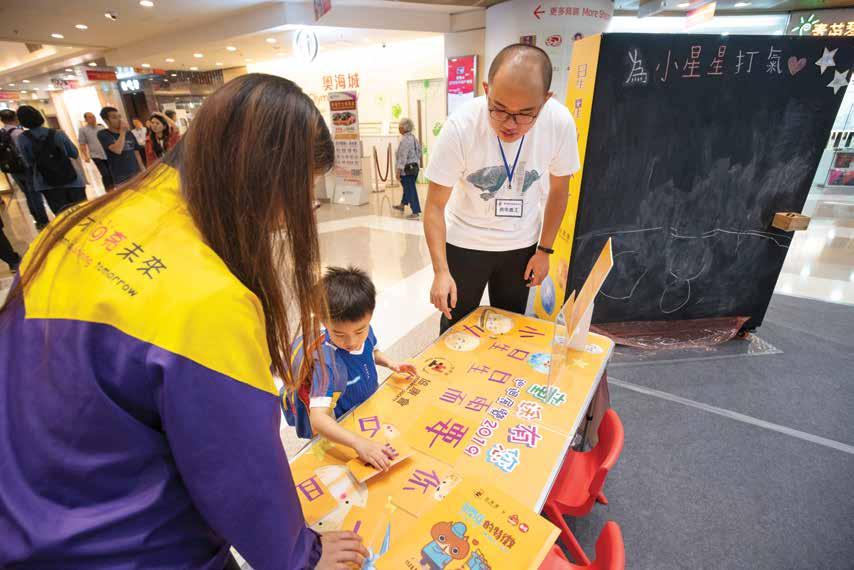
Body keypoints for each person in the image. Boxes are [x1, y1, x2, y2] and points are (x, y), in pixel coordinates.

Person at [0, 74, 367, 569]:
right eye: (301, 189)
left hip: (25, 520)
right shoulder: (208, 298)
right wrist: (300, 555)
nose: (298, 210)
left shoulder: (72, 224)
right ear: (265, 178)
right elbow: (238, 468)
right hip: (134, 547)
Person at [424, 44, 580, 332]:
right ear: (487, 90)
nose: (510, 124)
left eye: (525, 113)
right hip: (465, 241)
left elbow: (559, 191)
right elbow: (434, 205)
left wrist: (545, 250)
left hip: (521, 245)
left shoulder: (559, 123)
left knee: (510, 326)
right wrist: (441, 270)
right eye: (499, 109)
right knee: (456, 325)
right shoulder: (461, 126)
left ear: (546, 100)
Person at [287, 267, 416, 470]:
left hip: (368, 408)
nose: (352, 342)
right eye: (339, 334)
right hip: (347, 427)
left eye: (359, 331)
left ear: (369, 316)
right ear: (324, 322)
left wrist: (391, 363)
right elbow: (318, 419)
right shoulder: (326, 363)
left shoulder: (367, 331)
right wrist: (358, 443)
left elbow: (371, 351)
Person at [14, 105, 87, 216]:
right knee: (83, 214)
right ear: (39, 116)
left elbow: (28, 162)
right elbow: (74, 153)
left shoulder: (22, 139)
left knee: (63, 217)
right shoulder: (58, 133)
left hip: (46, 183)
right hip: (72, 179)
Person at [0, 109, 49, 229]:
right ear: (15, 118)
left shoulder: (2, 132)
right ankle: (43, 220)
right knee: (35, 194)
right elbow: (25, 151)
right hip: (25, 167)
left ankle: (37, 219)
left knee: (28, 194)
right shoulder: (18, 133)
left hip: (13, 169)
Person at [97, 106, 144, 187]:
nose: (119, 120)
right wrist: (122, 132)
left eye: (119, 116)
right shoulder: (103, 134)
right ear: (106, 121)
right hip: (121, 178)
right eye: (114, 117)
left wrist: (142, 169)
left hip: (136, 173)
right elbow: (117, 150)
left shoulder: (129, 133)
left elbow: (136, 151)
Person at [393, 118, 422, 220]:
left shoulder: (405, 140)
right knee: (408, 187)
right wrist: (415, 160)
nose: (398, 128)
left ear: (404, 128)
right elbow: (419, 151)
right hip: (414, 168)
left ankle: (415, 211)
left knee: (410, 190)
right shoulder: (413, 138)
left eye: (400, 126)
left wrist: (398, 171)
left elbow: (402, 157)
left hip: (407, 170)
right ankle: (402, 205)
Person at [77, 111, 114, 191]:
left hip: (107, 153)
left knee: (112, 173)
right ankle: (109, 191)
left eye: (93, 116)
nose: (93, 118)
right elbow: (82, 144)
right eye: (90, 117)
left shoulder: (101, 128)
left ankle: (115, 189)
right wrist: (85, 156)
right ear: (86, 120)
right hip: (96, 155)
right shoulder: (83, 130)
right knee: (105, 174)